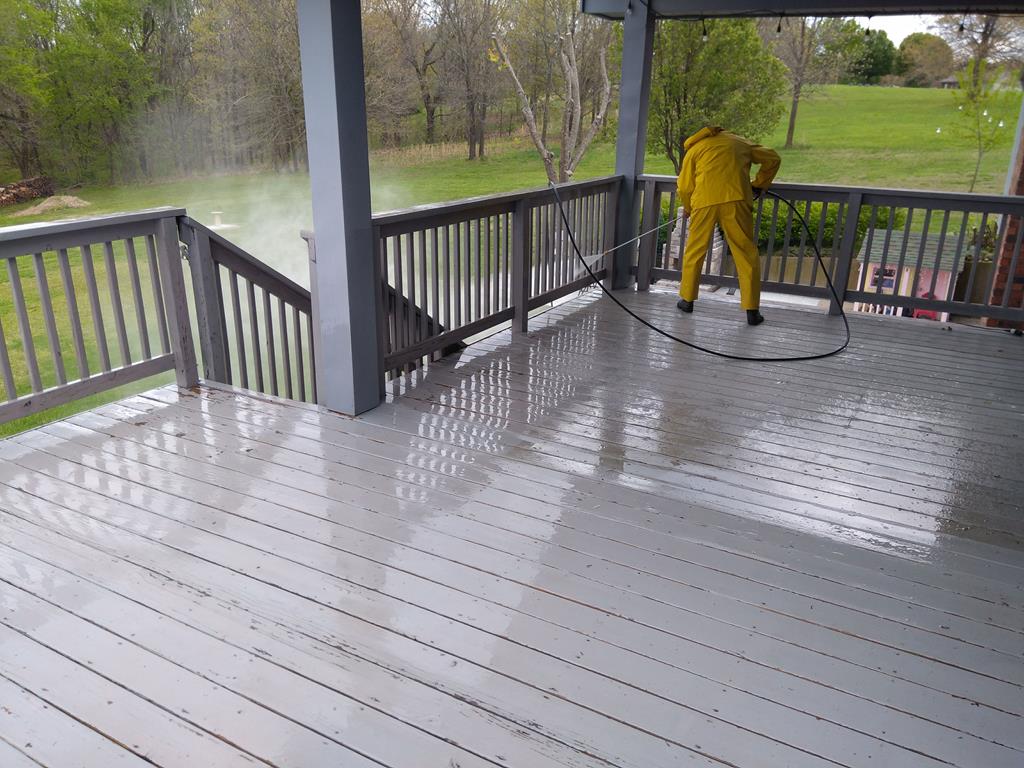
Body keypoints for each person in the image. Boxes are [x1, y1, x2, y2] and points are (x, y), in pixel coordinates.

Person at [675, 126, 780, 325]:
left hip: (704, 203)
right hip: (735, 200)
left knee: (694, 251)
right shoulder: (739, 143)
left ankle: (687, 300)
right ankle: (752, 310)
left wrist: (688, 207)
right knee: (746, 254)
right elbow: (773, 159)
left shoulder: (695, 149)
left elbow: (685, 186)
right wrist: (759, 184)